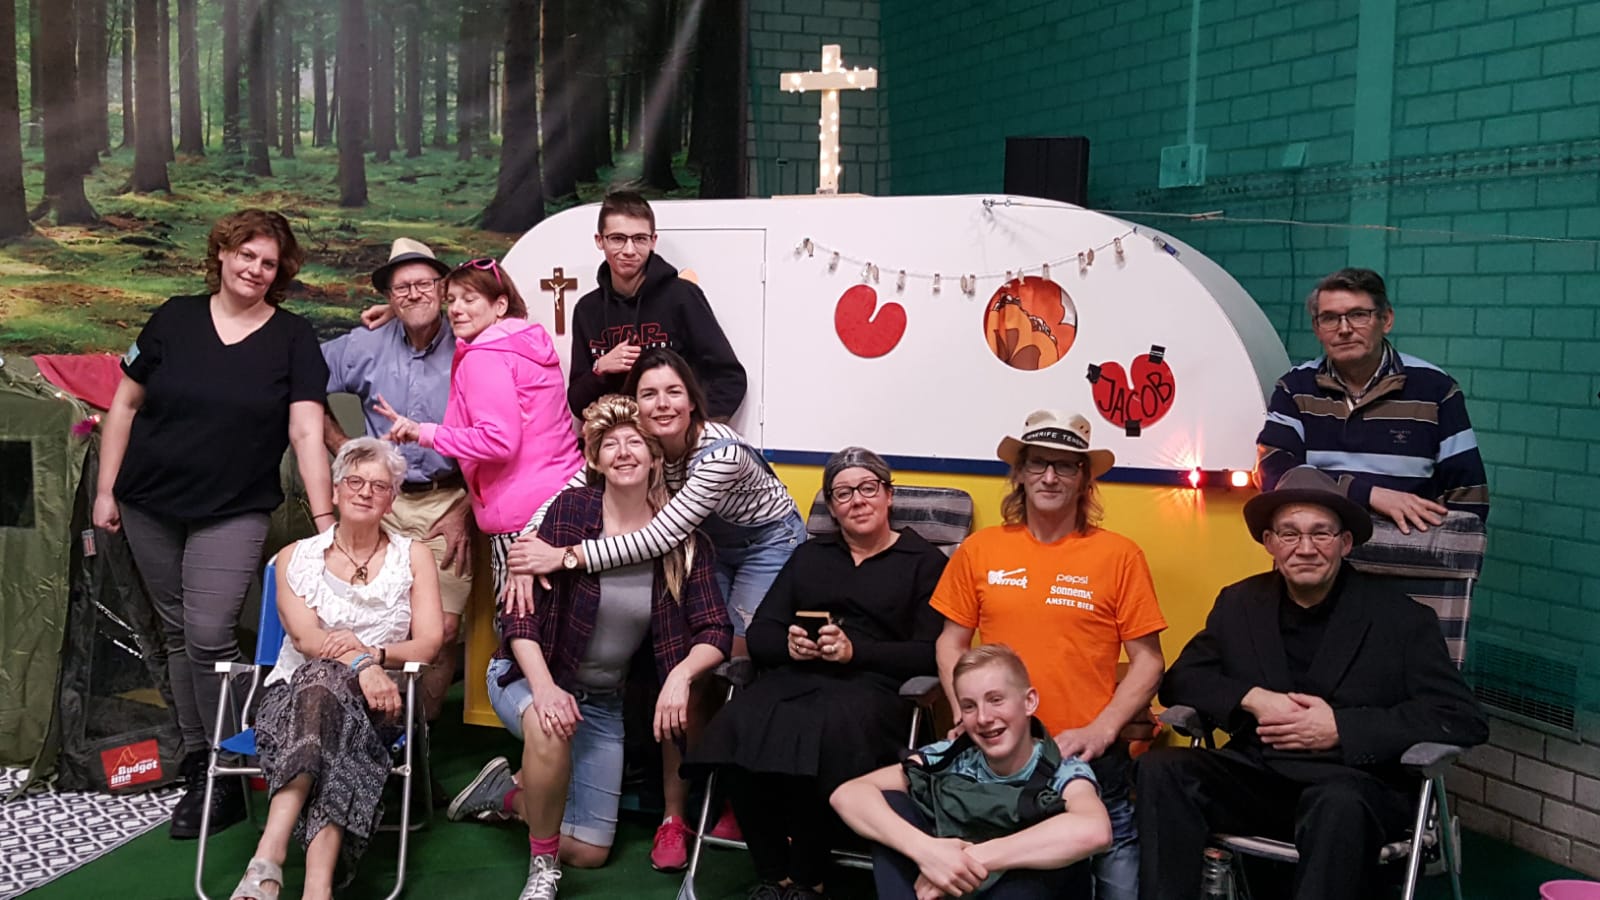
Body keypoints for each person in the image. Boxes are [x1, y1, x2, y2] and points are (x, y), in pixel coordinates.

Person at [503, 347, 805, 868]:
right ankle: (675, 816)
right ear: (635, 406)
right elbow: (562, 498)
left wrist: (564, 556)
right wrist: (525, 556)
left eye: (673, 392)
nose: (662, 404)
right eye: (648, 394)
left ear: (693, 400)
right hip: (705, 542)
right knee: (687, 665)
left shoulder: (721, 454)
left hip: (763, 542)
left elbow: (660, 536)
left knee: (738, 657)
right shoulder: (639, 447)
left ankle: (737, 794)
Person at [1135, 465, 1489, 900]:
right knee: (1161, 770)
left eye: (1321, 533)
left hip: (1353, 785)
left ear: (1345, 543)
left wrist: (1342, 728)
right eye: (1290, 534)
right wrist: (1253, 698)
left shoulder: (1402, 620)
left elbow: (1461, 718)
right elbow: (1181, 680)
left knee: (1337, 803)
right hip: (1260, 778)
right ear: (1270, 543)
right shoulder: (1240, 602)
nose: (1305, 548)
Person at [93, 208, 334, 838]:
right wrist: (106, 491)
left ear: (280, 274)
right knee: (177, 633)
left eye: (269, 263)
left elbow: (307, 432)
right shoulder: (173, 318)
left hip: (233, 508)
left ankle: (228, 764)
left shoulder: (292, 337)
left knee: (208, 633)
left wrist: (326, 520)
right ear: (222, 254)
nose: (255, 269)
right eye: (246, 255)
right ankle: (201, 759)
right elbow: (124, 405)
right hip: (147, 501)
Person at [471, 396, 731, 900]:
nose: (624, 452)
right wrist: (545, 689)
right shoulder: (572, 511)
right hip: (525, 674)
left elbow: (715, 630)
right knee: (550, 727)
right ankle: (542, 869)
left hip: (602, 703)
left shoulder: (681, 538)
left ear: (654, 457)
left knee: (590, 851)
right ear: (595, 460)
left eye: (636, 442)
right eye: (611, 445)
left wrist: (681, 675)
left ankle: (506, 795)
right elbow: (519, 617)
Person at [688, 447, 950, 900]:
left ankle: (809, 876)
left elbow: (928, 653)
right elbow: (762, 631)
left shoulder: (924, 562)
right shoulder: (810, 555)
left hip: (874, 688)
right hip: (796, 677)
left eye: (868, 488)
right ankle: (773, 874)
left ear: (888, 495)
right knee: (735, 725)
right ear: (832, 505)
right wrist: (790, 645)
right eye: (843, 493)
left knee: (823, 734)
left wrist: (856, 652)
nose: (858, 500)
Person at [930, 410, 1167, 900]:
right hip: (1000, 762)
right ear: (1019, 473)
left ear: (1085, 479)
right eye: (1038, 463)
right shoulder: (980, 549)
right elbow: (951, 642)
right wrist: (965, 713)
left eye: (1065, 465)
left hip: (1092, 761)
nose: (1050, 477)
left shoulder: (1120, 555)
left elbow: (1149, 661)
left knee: (1118, 891)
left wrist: (1102, 729)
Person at [228, 437, 444, 900]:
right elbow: (308, 641)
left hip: (381, 704)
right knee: (320, 683)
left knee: (326, 693)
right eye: (355, 481)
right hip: (290, 702)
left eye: (379, 486)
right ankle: (317, 889)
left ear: (392, 499)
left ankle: (267, 861)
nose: (365, 492)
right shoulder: (295, 557)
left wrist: (375, 658)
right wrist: (362, 663)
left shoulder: (414, 556)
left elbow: (429, 642)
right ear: (335, 490)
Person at [322, 238, 471, 721]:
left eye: (424, 283)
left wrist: (467, 509)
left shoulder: (473, 343)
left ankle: (418, 740)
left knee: (441, 630)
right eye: (401, 287)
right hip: (380, 501)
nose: (414, 294)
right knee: (374, 619)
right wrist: (346, 449)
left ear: (443, 288)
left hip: (449, 500)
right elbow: (300, 379)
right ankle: (373, 735)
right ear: (389, 296)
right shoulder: (364, 344)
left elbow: (503, 433)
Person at [832, 644, 1112, 900]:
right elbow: (848, 794)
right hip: (946, 887)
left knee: (1058, 843)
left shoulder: (1063, 768)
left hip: (1016, 889)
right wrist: (927, 852)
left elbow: (1095, 831)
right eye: (969, 706)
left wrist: (971, 859)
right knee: (891, 803)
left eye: (996, 700)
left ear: (1029, 702)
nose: (983, 718)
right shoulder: (948, 756)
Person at [375, 257, 583, 600]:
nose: (456, 309)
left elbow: (499, 441)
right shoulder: (528, 344)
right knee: (559, 620)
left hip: (521, 518)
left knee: (519, 620)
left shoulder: (484, 355)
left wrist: (421, 432)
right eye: (452, 299)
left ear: (500, 305)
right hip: (563, 502)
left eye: (469, 299)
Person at [1256, 267, 1489, 533]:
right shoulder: (1295, 389)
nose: (1344, 329)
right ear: (1317, 329)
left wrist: (1455, 549)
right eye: (1329, 318)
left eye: (1358, 315)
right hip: (1318, 549)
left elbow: (1468, 493)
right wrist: (1368, 495)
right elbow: (1274, 472)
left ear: (1386, 320)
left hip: (1406, 548)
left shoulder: (1436, 389)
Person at [565, 190, 747, 419]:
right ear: (600, 240)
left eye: (639, 239)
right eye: (618, 238)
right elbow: (577, 403)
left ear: (653, 241)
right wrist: (600, 369)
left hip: (673, 436)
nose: (629, 250)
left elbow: (730, 377)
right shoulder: (587, 309)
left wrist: (695, 427)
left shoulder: (682, 296)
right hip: (618, 437)